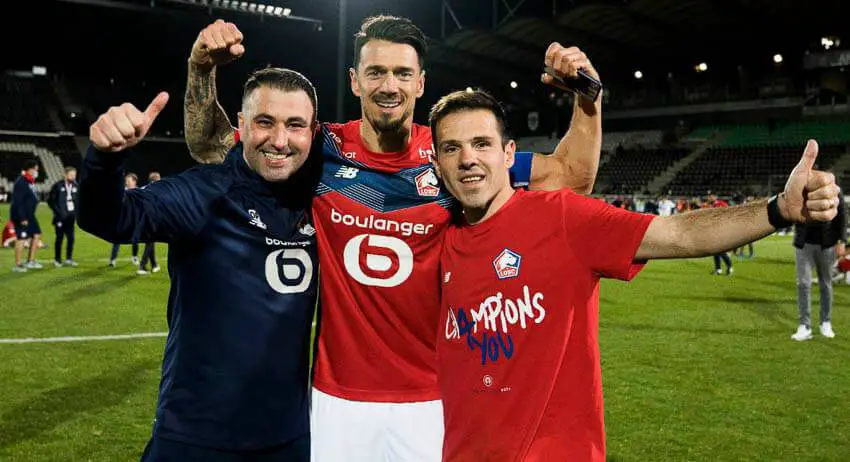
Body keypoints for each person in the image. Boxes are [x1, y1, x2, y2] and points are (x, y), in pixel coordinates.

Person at [183, 16, 603, 460]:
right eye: (376, 72)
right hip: (336, 398)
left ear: (421, 83)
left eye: (403, 73)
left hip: (432, 396)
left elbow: (572, 177)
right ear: (355, 81)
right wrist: (200, 69)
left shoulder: (451, 154)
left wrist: (588, 98)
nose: (389, 85)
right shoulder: (319, 148)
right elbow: (208, 145)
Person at [428, 89, 840, 461]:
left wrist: (778, 210)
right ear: (437, 162)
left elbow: (678, 234)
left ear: (508, 153)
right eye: (452, 148)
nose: (468, 159)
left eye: (482, 144)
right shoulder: (435, 242)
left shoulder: (563, 217)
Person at [78, 67, 321, 461]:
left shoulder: (321, 199)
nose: (279, 140)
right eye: (264, 122)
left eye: (295, 125)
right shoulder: (204, 191)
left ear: (312, 131)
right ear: (241, 124)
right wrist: (105, 159)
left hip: (290, 437)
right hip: (195, 437)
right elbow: (110, 218)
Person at [791, 193, 845, 340]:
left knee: (826, 284)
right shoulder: (800, 185)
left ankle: (825, 322)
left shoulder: (831, 185)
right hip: (804, 242)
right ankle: (804, 325)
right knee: (803, 284)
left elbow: (841, 212)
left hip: (826, 243)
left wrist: (841, 240)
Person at [10, 159, 43, 272]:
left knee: (36, 235)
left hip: (30, 215)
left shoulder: (29, 182)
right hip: (21, 216)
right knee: (21, 238)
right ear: (30, 169)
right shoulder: (21, 182)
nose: (36, 172)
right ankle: (18, 265)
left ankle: (31, 261)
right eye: (35, 169)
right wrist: (22, 217)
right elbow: (18, 202)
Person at [48, 166, 80, 267]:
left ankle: (69, 259)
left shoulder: (76, 186)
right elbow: (51, 201)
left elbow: (78, 201)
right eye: (71, 175)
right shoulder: (57, 186)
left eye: (74, 175)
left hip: (70, 217)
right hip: (60, 218)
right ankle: (57, 260)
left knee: (71, 238)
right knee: (59, 239)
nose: (73, 177)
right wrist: (58, 212)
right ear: (65, 175)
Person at [109, 173, 140, 267]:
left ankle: (134, 257)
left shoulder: (139, 191)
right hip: (122, 219)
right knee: (116, 239)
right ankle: (113, 259)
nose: (126, 182)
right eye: (126, 180)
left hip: (134, 219)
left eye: (129, 180)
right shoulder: (122, 191)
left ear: (134, 181)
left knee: (135, 239)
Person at [137, 171, 162, 275]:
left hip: (142, 218)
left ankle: (154, 264)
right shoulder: (157, 190)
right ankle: (142, 266)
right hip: (151, 219)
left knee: (150, 241)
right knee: (150, 242)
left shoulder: (143, 188)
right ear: (156, 180)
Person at [705, 193, 734, 275]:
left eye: (710, 196)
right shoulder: (710, 206)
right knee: (715, 250)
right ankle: (718, 269)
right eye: (708, 197)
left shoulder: (721, 204)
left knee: (720, 250)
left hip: (721, 230)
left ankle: (729, 267)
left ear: (715, 197)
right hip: (714, 230)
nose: (708, 198)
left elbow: (728, 215)